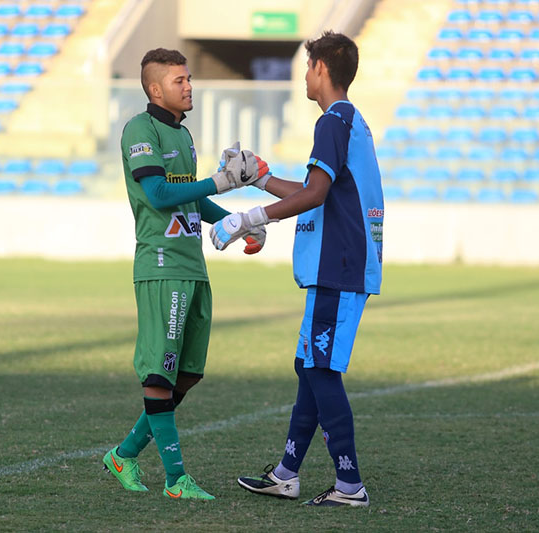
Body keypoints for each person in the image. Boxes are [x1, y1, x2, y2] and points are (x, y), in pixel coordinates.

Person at [210, 31, 383, 507]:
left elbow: (316, 195)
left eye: (308, 67)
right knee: (308, 366)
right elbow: (312, 189)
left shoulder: (333, 121)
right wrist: (261, 178)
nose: (305, 75)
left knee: (322, 371)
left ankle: (350, 485)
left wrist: (247, 216)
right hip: (338, 268)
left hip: (339, 269)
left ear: (322, 69)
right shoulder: (349, 121)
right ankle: (287, 473)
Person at [103, 48, 269, 500]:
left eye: (189, 78)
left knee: (187, 375)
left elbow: (191, 199)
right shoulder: (140, 129)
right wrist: (220, 181)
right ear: (155, 89)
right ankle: (176, 480)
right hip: (160, 266)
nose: (189, 85)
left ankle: (124, 454)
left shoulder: (185, 135)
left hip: (192, 267)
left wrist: (242, 223)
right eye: (179, 80)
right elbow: (157, 194)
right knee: (160, 375)